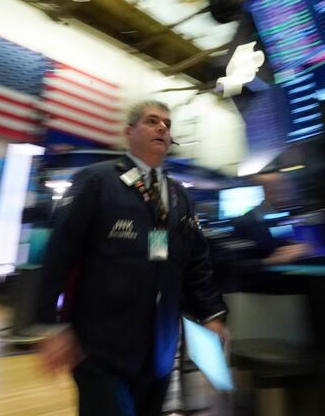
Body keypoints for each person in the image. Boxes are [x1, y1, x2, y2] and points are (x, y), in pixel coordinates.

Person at [37, 99, 227, 416]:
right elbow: (60, 253)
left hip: (160, 352)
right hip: (100, 349)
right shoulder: (96, 181)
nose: (163, 128)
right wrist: (53, 326)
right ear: (129, 131)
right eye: (152, 121)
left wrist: (211, 314)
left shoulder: (179, 196)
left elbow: (196, 262)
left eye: (167, 124)